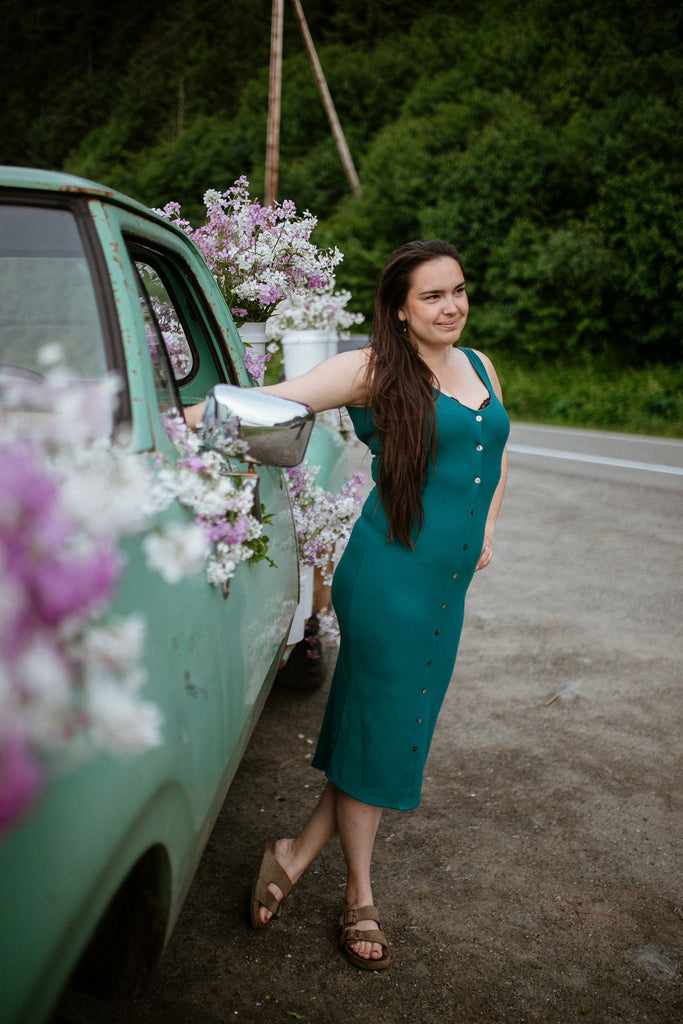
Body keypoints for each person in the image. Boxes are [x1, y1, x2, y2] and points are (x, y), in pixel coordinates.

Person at [200, 240, 509, 970]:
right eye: (432, 295)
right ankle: (357, 897)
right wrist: (173, 422)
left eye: (458, 290)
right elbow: (269, 404)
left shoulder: (481, 367)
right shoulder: (371, 369)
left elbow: (496, 455)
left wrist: (488, 526)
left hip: (444, 587)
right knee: (385, 730)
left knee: (383, 725)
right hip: (387, 581)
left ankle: (294, 849)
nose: (451, 305)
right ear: (399, 309)